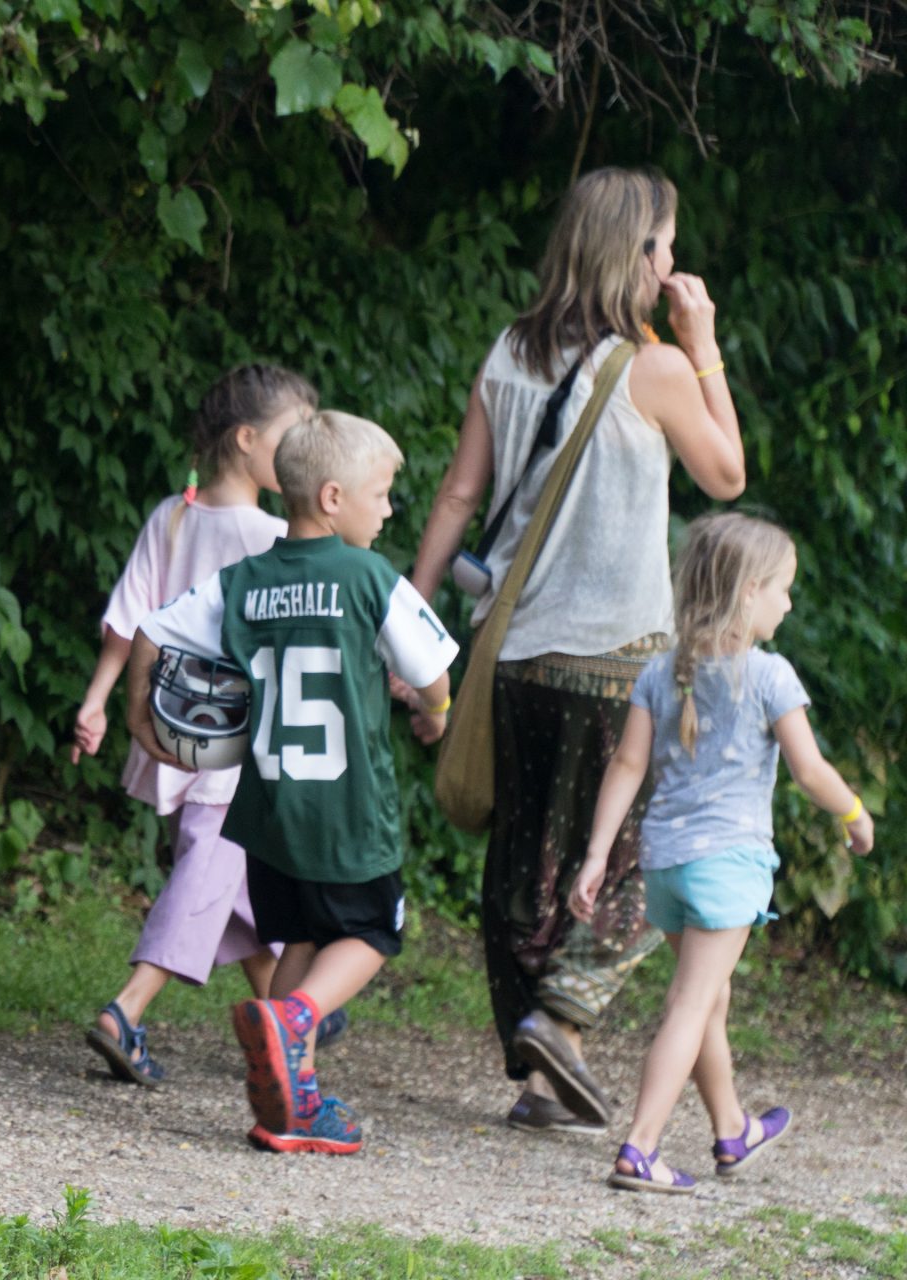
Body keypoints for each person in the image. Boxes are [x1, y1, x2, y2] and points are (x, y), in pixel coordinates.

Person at [408, 166, 747, 1134]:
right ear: (637, 254)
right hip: (618, 661)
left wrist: (418, 618)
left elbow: (457, 497)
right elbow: (725, 474)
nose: (674, 261)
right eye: (666, 243)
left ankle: (544, 1071)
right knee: (638, 854)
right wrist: (705, 340)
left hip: (512, 654)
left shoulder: (509, 351)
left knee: (526, 861)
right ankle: (561, 1018)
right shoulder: (659, 366)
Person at [128, 411, 459, 1154]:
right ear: (334, 498)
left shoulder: (242, 582)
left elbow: (152, 631)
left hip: (269, 814)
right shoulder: (371, 577)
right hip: (349, 814)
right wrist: (434, 714)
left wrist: (143, 723)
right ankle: (298, 1018)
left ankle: (288, 1105)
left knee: (302, 935)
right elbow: (434, 674)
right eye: (382, 495)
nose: (390, 509)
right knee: (373, 931)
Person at [571, 513, 873, 1192]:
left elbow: (626, 765)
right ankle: (641, 1147)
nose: (789, 603)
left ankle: (731, 1129)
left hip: (669, 868)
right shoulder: (769, 675)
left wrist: (596, 856)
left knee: (708, 1000)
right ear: (747, 594)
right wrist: (855, 813)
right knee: (690, 1001)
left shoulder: (660, 671)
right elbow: (810, 770)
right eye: (783, 589)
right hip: (727, 866)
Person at [72, 364, 344, 1086]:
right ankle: (127, 1010)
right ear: (250, 440)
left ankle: (287, 1018)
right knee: (208, 870)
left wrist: (97, 699)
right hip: (239, 740)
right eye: (294, 437)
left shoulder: (174, 514)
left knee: (230, 878)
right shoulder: (275, 536)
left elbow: (129, 616)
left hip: (171, 724)